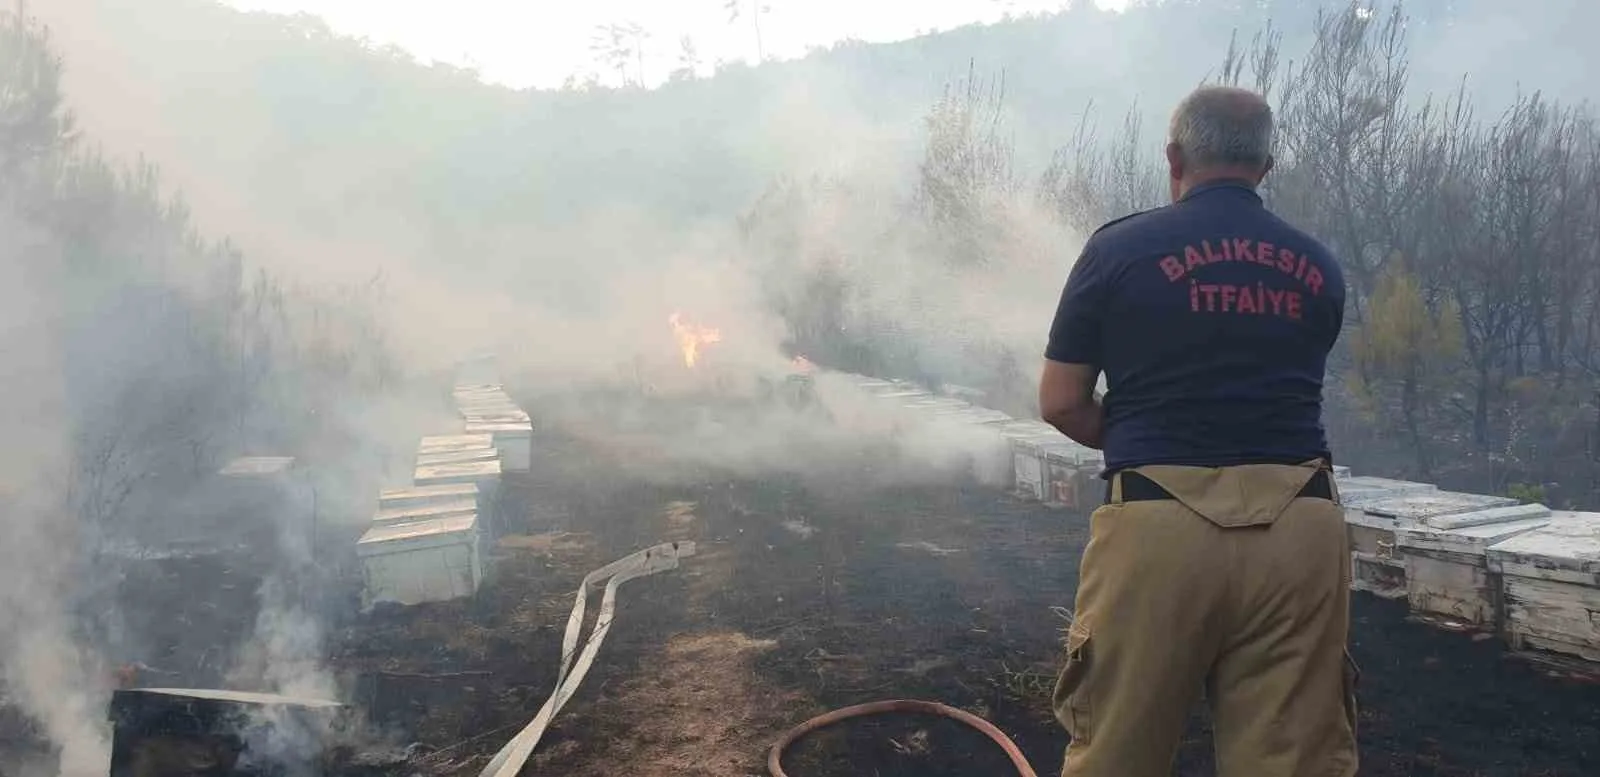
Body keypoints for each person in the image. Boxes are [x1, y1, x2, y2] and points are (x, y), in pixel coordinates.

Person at [1036, 85, 1357, 777]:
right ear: (1265, 167)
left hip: (1158, 525)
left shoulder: (1117, 250)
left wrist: (1148, 431)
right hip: (1301, 525)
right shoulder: (1318, 265)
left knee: (1118, 749)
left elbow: (1061, 401)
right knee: (1293, 758)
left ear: (1174, 157)